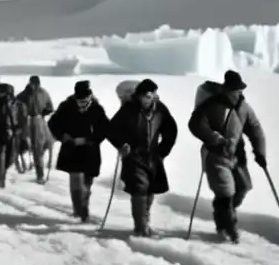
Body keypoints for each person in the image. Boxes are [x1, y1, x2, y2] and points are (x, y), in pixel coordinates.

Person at [187, 70, 267, 243]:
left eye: (240, 90)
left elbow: (255, 128)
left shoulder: (243, 107)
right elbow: (195, 124)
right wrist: (214, 137)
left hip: (238, 156)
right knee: (225, 192)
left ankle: (223, 213)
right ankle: (231, 231)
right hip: (216, 155)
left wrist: (260, 152)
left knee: (243, 187)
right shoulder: (212, 105)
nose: (239, 93)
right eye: (235, 90)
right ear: (226, 89)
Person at [107, 78, 178, 237]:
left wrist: (163, 149)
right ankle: (140, 227)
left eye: (151, 95)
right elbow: (111, 130)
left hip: (153, 157)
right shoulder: (128, 109)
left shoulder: (160, 109)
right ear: (138, 96)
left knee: (151, 190)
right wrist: (121, 145)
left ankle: (145, 221)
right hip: (134, 156)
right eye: (145, 96)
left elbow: (171, 130)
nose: (149, 99)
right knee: (139, 189)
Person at [47, 80, 111, 222]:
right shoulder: (66, 106)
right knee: (75, 179)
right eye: (80, 101)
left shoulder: (97, 108)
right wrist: (63, 136)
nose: (83, 104)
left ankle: (84, 205)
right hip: (71, 149)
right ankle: (79, 210)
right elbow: (53, 123)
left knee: (87, 182)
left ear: (90, 96)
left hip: (90, 150)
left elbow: (105, 128)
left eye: (85, 100)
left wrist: (91, 139)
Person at [17, 75, 55, 183]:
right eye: (33, 83)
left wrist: (42, 114)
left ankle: (37, 161)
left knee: (48, 143)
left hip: (39, 120)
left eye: (36, 84)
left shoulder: (43, 92)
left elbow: (50, 107)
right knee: (36, 147)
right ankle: (40, 174)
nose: (35, 86)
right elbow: (16, 107)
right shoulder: (23, 95)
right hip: (28, 122)